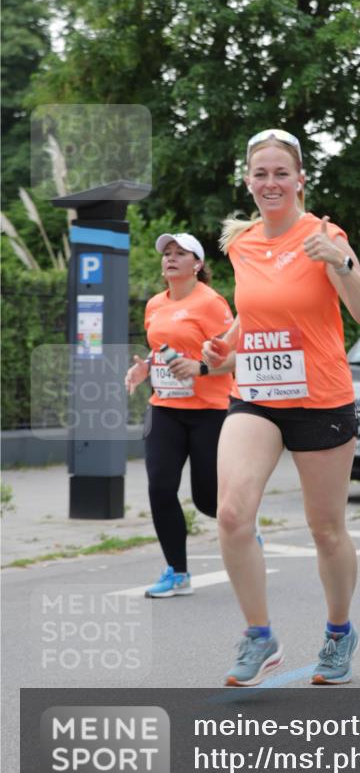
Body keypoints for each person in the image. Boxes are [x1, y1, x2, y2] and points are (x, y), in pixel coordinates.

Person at [203, 128, 360, 686]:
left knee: (325, 529)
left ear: (301, 179)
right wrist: (228, 344)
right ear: (248, 181)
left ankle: (338, 633)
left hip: (321, 398)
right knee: (231, 514)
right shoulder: (242, 243)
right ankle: (260, 637)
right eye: (261, 174)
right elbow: (256, 312)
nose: (271, 182)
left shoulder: (326, 236)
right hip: (256, 396)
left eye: (282, 173)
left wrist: (343, 264)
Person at [125, 232, 234, 597]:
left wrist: (200, 368)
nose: (170, 258)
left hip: (209, 411)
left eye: (180, 253)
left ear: (197, 264)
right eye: (166, 253)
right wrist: (146, 369)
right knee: (159, 486)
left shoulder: (212, 304)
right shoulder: (155, 304)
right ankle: (177, 572)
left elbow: (231, 358)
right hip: (165, 409)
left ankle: (244, 528)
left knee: (206, 499)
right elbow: (162, 351)